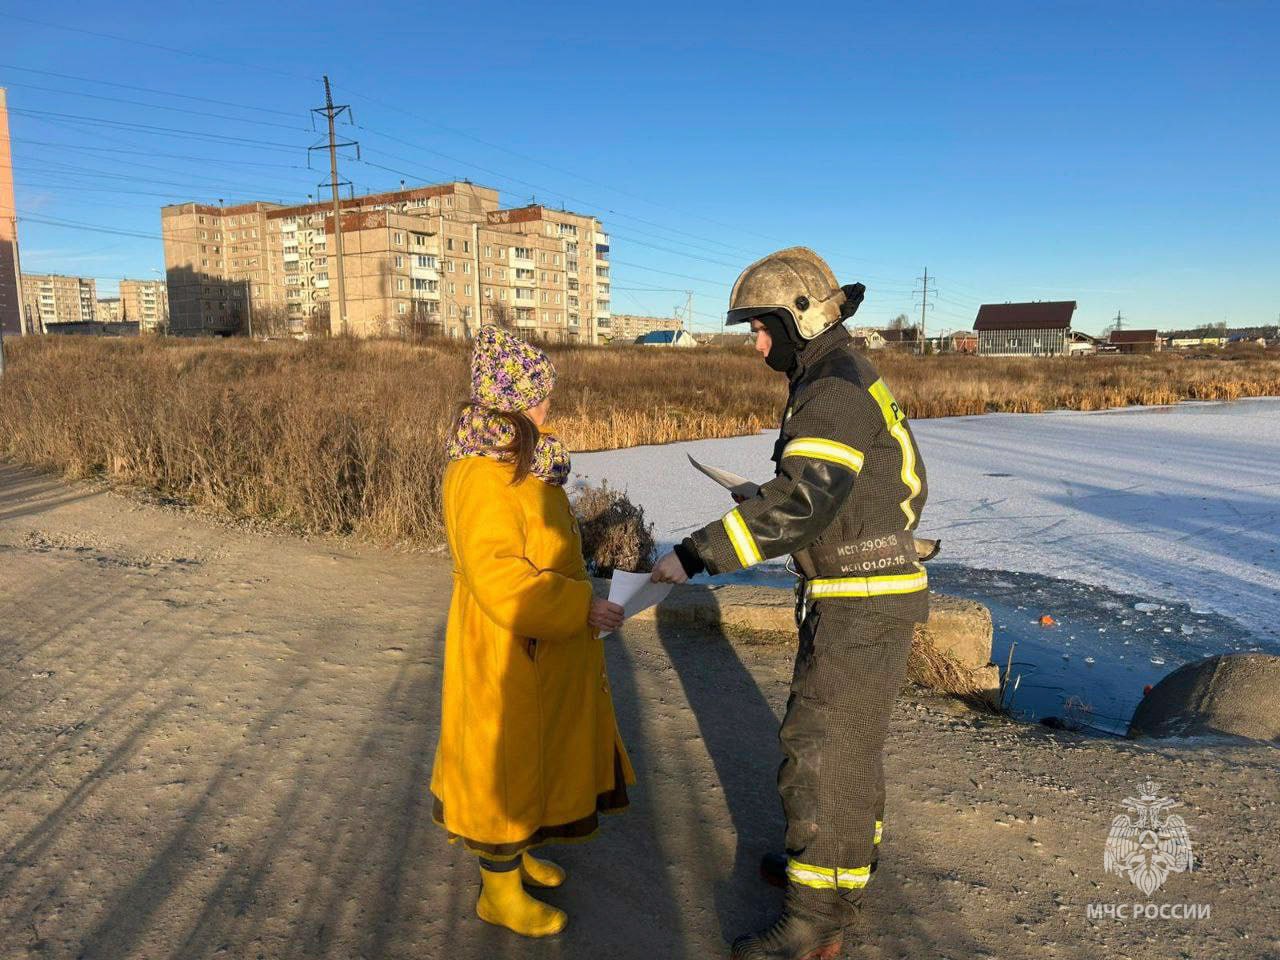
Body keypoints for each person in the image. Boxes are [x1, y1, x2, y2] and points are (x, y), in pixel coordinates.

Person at [651, 248, 929, 960]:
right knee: (848, 752)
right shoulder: (836, 373)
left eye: (762, 327)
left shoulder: (830, 387)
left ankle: (812, 920)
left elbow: (804, 502)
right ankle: (833, 878)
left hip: (861, 598)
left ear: (800, 316)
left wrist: (694, 553)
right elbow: (829, 490)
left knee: (822, 754)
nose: (757, 343)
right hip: (860, 587)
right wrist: (767, 499)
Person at [430, 325, 633, 938]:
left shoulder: (519, 464)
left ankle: (516, 859)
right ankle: (497, 891)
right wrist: (578, 607)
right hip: (508, 647)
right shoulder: (481, 476)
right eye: (540, 396)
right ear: (511, 403)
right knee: (506, 765)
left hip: (538, 644)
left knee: (533, 759)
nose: (550, 406)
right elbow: (499, 578)